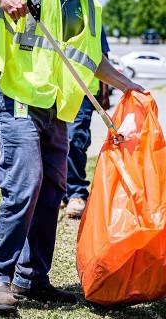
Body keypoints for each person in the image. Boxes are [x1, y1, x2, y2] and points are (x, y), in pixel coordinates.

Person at [0, 0, 144, 312]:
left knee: (53, 192)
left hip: (57, 110)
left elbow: (94, 62)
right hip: (14, 100)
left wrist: (130, 86)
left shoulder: (90, 6)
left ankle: (32, 279)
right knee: (26, 185)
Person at [63, 32, 111, 219]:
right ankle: (58, 190)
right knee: (51, 140)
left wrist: (104, 91)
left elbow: (102, 55)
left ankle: (76, 193)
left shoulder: (91, 13)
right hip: (55, 88)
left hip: (84, 91)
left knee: (75, 138)